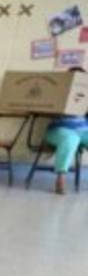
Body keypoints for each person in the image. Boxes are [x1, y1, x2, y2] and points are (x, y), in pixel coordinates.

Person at [43, 67, 87, 196]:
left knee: (74, 137)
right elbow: (42, 109)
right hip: (60, 129)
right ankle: (60, 178)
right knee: (70, 139)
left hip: (84, 129)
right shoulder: (56, 92)